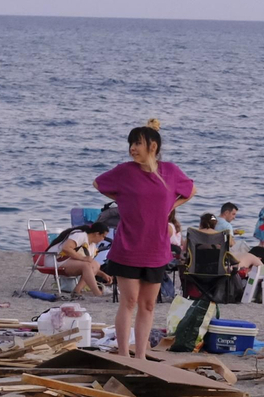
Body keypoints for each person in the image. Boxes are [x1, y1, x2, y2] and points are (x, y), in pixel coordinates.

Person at [93, 120, 194, 359]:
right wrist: (123, 199)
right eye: (131, 143)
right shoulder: (125, 171)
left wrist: (171, 204)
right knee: (129, 301)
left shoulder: (169, 171)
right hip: (128, 247)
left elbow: (190, 190)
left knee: (148, 305)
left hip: (157, 249)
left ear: (153, 146)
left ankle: (140, 356)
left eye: (137, 143)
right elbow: (98, 183)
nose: (132, 148)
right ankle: (123, 354)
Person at [51, 221, 112, 296]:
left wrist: (103, 275)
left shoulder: (92, 246)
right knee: (86, 265)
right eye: (103, 236)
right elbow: (66, 248)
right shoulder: (80, 235)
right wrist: (83, 258)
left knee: (95, 264)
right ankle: (97, 292)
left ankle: (77, 290)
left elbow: (91, 268)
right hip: (55, 259)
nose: (103, 239)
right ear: (97, 234)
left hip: (68, 262)